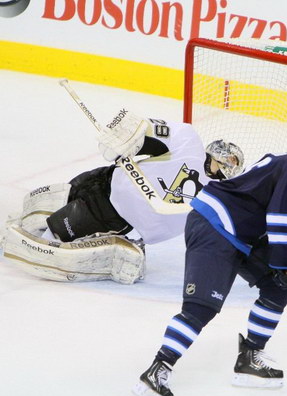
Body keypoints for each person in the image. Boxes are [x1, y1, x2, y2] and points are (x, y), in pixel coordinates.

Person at [132, 127, 287, 396]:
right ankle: (157, 371)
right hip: (215, 226)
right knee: (201, 308)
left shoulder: (283, 161)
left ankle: (250, 359)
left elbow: (259, 207)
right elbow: (279, 218)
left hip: (237, 231)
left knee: (278, 285)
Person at [2, 110, 244, 284]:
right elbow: (144, 127)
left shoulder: (217, 198)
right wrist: (124, 138)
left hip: (112, 215)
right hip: (105, 179)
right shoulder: (188, 141)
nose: (226, 160)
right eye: (227, 156)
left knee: (57, 229)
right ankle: (22, 226)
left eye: (232, 162)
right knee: (40, 204)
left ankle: (29, 240)